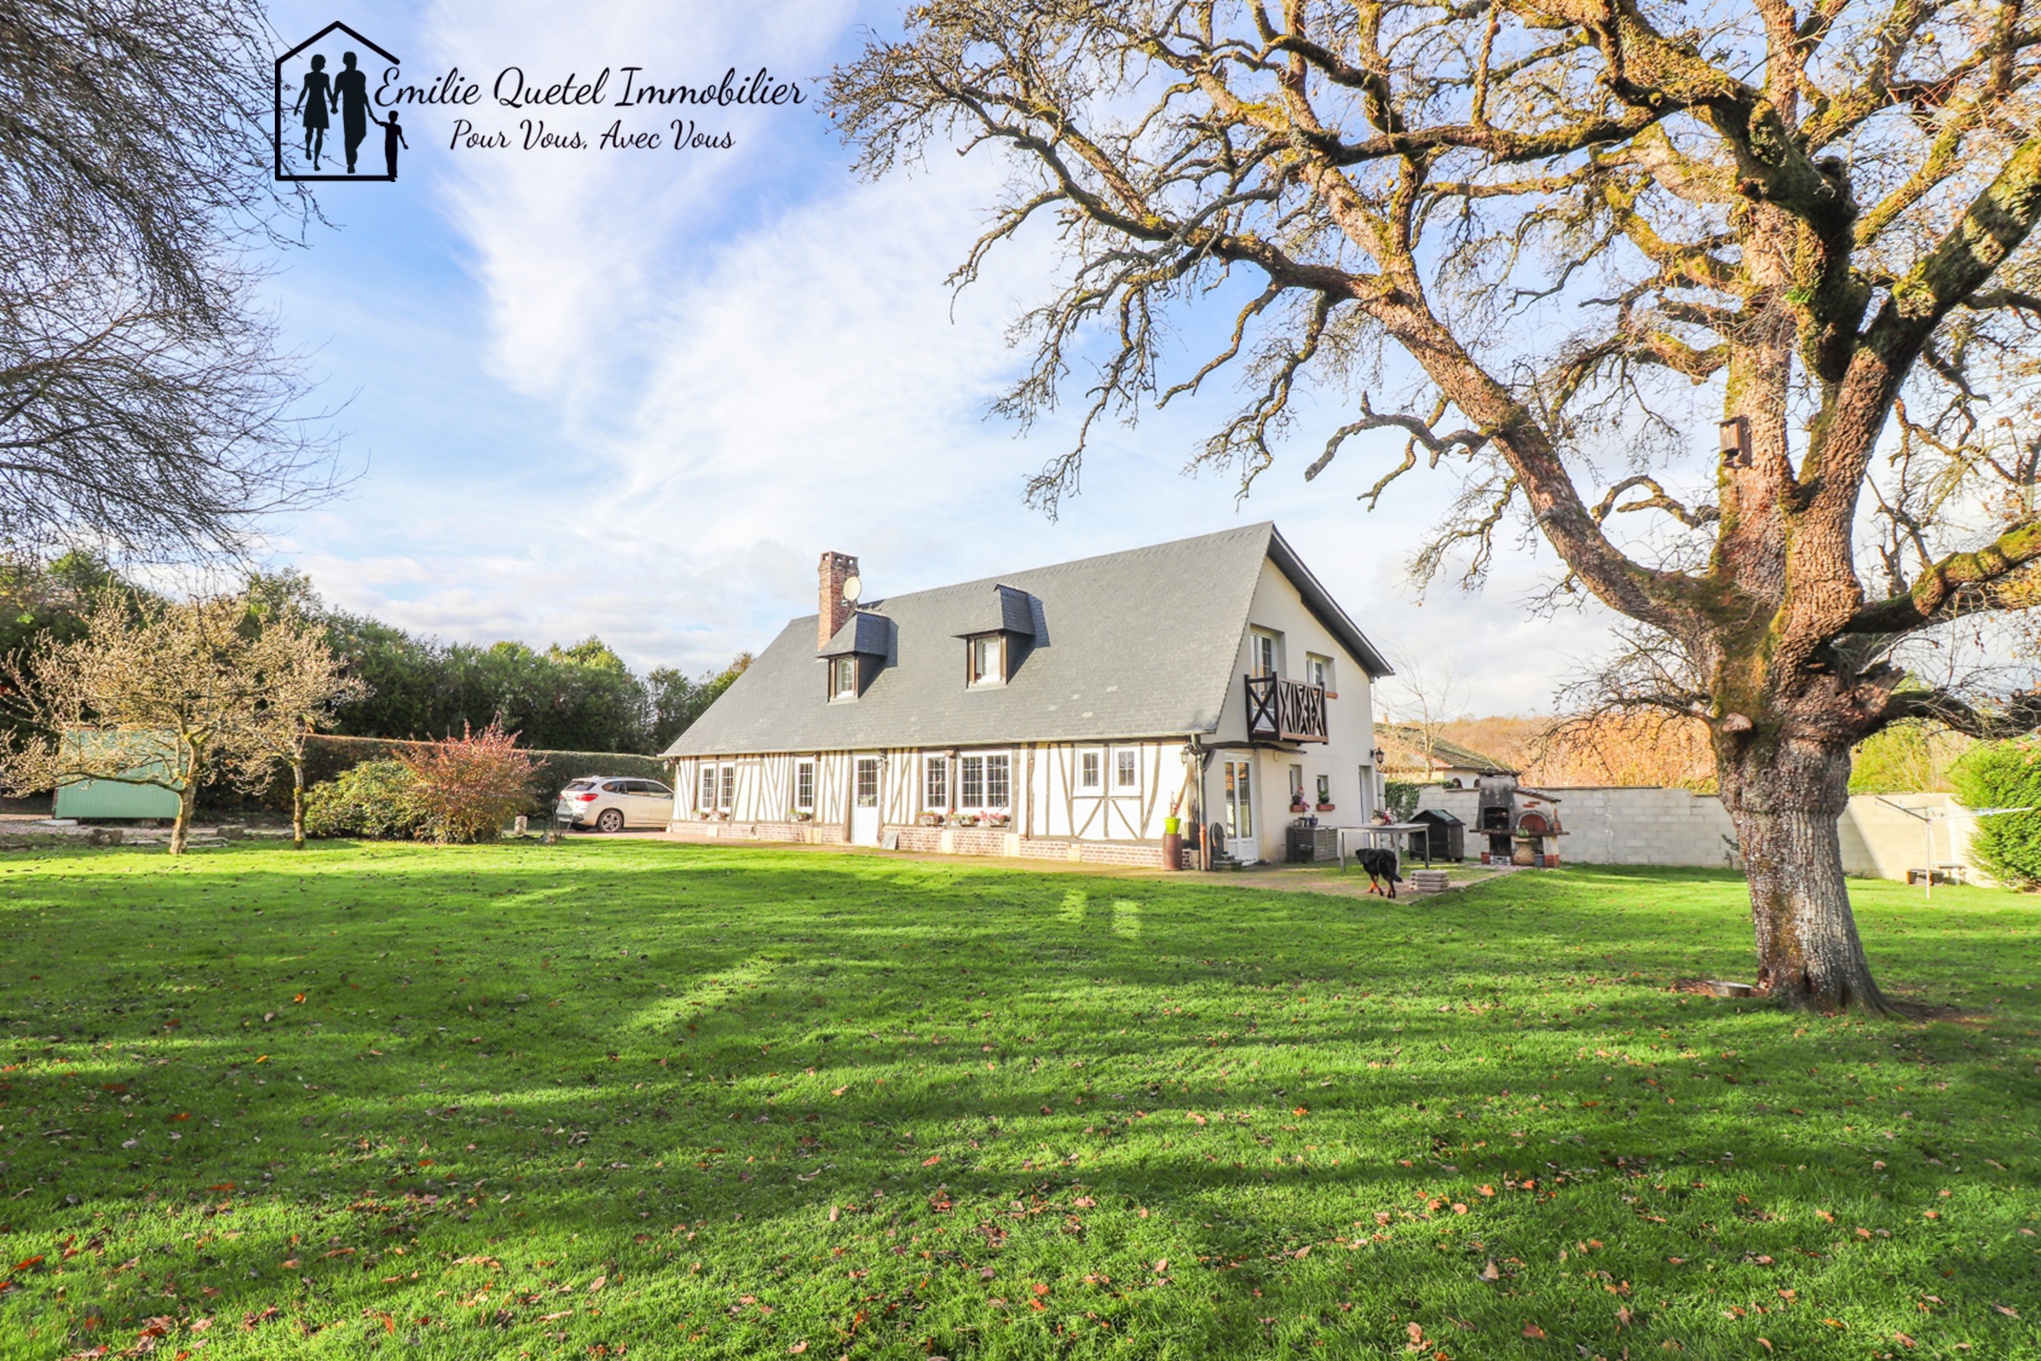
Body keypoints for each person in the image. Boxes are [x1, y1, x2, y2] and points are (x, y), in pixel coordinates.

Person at [332, 51, 371, 174]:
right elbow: (336, 93)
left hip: (359, 106)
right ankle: (350, 163)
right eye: (351, 60)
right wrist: (334, 106)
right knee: (349, 135)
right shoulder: (341, 76)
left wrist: (369, 109)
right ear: (346, 62)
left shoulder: (360, 75)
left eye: (355, 60)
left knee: (361, 133)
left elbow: (363, 93)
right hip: (348, 107)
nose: (353, 62)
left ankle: (351, 153)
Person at [292, 54, 331, 170]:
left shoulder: (325, 77)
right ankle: (308, 147)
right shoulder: (308, 76)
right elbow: (304, 91)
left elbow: (328, 91)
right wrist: (297, 105)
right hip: (312, 104)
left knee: (319, 134)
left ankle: (316, 160)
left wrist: (334, 105)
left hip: (320, 105)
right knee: (310, 131)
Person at [372, 109, 408, 179]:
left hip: (394, 145)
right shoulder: (387, 125)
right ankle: (390, 172)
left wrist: (404, 144)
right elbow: (377, 122)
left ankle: (393, 173)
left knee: (393, 158)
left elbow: (400, 136)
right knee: (389, 158)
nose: (395, 118)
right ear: (390, 117)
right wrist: (372, 116)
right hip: (388, 145)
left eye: (396, 117)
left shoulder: (398, 127)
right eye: (394, 116)